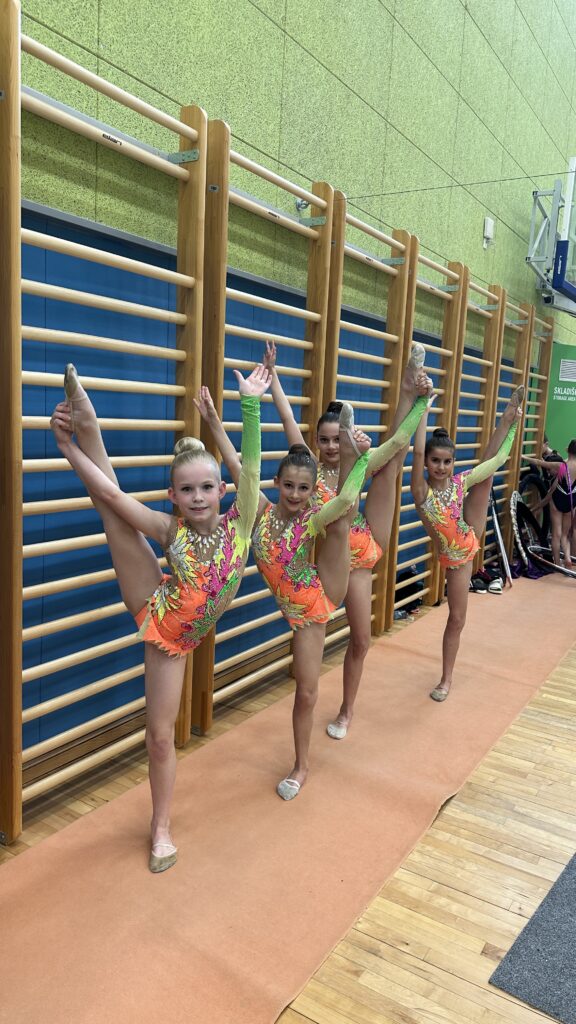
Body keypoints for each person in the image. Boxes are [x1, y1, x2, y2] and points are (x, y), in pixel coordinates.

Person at [50, 362, 271, 873]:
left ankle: (88, 425)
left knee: (114, 512)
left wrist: (250, 408)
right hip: (160, 618)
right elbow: (112, 495)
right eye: (187, 490)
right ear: (173, 496)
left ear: (223, 490)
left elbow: (254, 469)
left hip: (186, 629)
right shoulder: (171, 530)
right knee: (159, 736)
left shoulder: (242, 522)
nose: (198, 498)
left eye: (207, 488)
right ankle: (161, 828)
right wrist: (67, 449)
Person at [198, 386, 374, 799]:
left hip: (319, 595)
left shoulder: (311, 516)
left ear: (312, 492)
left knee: (306, 691)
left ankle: (301, 766)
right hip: (294, 596)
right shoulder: (259, 508)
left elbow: (347, 499)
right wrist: (215, 421)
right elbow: (240, 463)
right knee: (336, 515)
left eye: (303, 489)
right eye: (289, 486)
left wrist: (361, 458)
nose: (295, 495)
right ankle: (350, 450)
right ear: (276, 482)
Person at [262, 340, 432, 740]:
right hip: (337, 560)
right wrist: (273, 377)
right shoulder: (307, 470)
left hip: (365, 542)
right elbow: (287, 417)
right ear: (316, 442)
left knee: (392, 463)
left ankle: (347, 709)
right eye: (324, 440)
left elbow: (396, 444)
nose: (331, 446)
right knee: (388, 464)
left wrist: (419, 406)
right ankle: (411, 392)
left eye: (337, 439)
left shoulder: (357, 458)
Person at [411, 385, 524, 702]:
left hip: (468, 532)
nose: (441, 467)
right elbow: (416, 453)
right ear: (427, 462)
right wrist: (422, 412)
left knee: (485, 476)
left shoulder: (459, 482)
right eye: (435, 461)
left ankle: (507, 415)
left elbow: (498, 459)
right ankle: (445, 679)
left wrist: (513, 428)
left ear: (453, 462)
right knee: (457, 618)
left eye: (447, 461)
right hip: (456, 557)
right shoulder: (421, 492)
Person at [523, 439, 576, 570]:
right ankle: (568, 558)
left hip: (558, 498)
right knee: (565, 535)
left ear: (567, 450)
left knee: (556, 534)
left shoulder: (561, 466)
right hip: (571, 501)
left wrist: (523, 457)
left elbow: (539, 462)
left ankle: (557, 564)